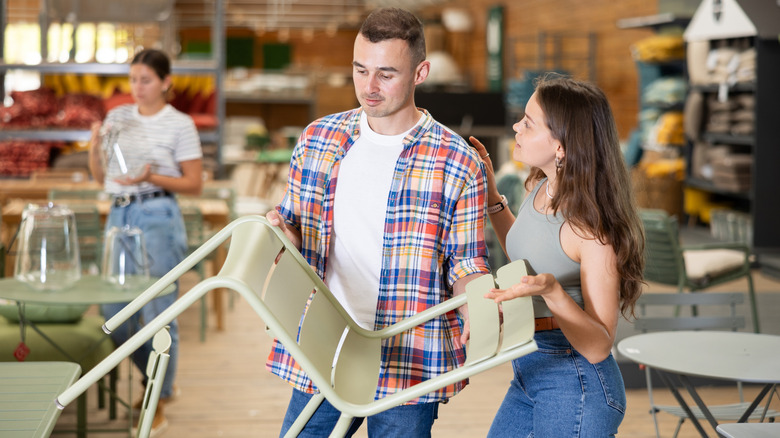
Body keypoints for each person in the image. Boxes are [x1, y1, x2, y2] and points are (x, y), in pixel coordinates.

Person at [264, 7, 490, 437]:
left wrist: (476, 304)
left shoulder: (457, 160)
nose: (369, 87)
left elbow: (465, 263)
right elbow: (293, 229)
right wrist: (279, 233)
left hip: (409, 356)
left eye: (386, 74)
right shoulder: (318, 139)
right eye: (360, 69)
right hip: (327, 346)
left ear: (420, 72)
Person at [469, 74, 645, 437]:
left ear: (561, 146)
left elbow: (598, 345)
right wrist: (491, 194)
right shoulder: (539, 186)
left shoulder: (593, 232)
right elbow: (527, 255)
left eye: (528, 123)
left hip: (577, 382)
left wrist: (552, 292)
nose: (516, 126)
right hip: (531, 368)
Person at [88, 48, 203, 434]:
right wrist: (92, 146)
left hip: (158, 215)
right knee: (113, 316)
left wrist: (151, 176)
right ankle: (161, 383)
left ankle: (156, 397)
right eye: (133, 79)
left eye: (146, 80)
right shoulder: (118, 117)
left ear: (166, 82)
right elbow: (100, 174)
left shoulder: (180, 124)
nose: (136, 87)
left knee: (158, 316)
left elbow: (194, 184)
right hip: (118, 214)